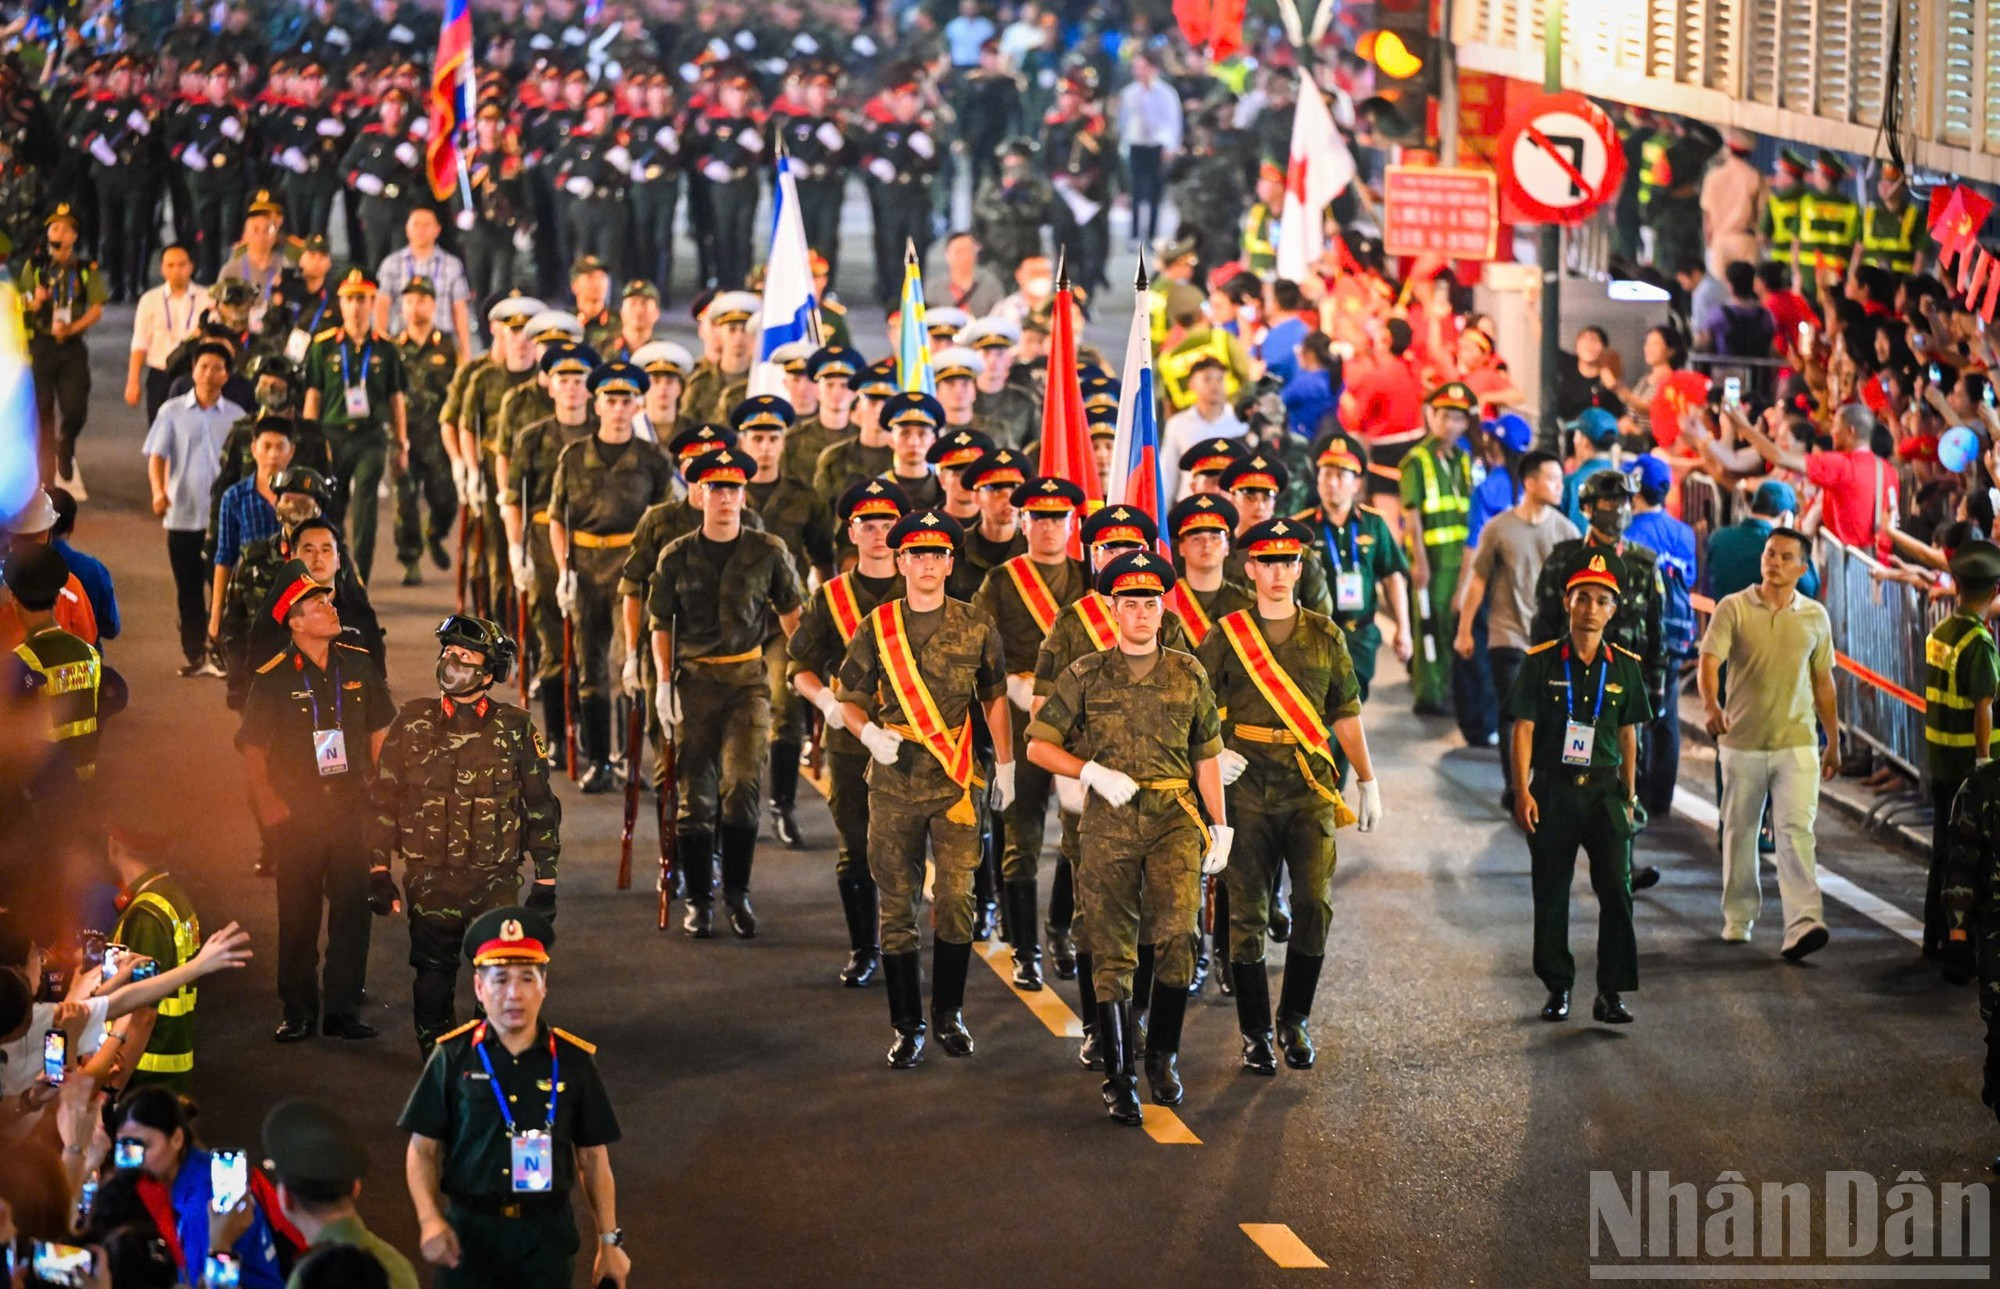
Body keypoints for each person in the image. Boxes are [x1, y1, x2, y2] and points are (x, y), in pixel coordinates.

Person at [1026, 551, 1224, 1121]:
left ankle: (1161, 1055)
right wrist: (1087, 770)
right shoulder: (1085, 672)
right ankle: (1118, 1074)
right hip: (1109, 822)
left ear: (1164, 609)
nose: (1141, 613)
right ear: (1112, 609)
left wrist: (1221, 823)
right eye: (1130, 603)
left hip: (1174, 819)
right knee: (1112, 947)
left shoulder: (1188, 672)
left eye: (1150, 603)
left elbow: (1206, 754)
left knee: (1178, 938)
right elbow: (1039, 743)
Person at [1196, 519, 1383, 1075]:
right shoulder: (1226, 634)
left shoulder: (1325, 633)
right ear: (1249, 569)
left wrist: (1368, 781)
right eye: (1267, 563)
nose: (1278, 574)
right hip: (1245, 786)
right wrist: (1211, 754)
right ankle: (1255, 1033)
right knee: (1247, 912)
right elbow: (1196, 708)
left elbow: (1344, 712)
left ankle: (1294, 1018)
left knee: (1313, 903)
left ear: (1300, 569)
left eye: (1288, 563)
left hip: (1308, 785)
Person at [834, 509, 1014, 1067]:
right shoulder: (878, 624)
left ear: (951, 561)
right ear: (901, 560)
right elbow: (849, 696)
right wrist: (867, 734)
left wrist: (1005, 763)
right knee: (897, 906)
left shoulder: (976, 624)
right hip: (893, 779)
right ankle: (907, 1024)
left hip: (957, 778)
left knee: (958, 899)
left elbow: (995, 697)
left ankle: (949, 1014)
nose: (928, 563)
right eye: (917, 554)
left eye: (938, 553)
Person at [398, 907, 628, 1289]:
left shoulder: (572, 1060)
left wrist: (610, 1243)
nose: (513, 994)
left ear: (544, 985)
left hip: (545, 1241)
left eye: (526, 979)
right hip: (468, 1237)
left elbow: (593, 1157)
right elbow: (421, 1149)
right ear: (478, 988)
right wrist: (429, 1219)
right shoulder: (453, 1056)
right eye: (500, 979)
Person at [369, 616, 561, 1052]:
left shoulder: (516, 730)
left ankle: (483, 1067)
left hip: (495, 882)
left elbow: (540, 807)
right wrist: (378, 866)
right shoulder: (412, 722)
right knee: (433, 978)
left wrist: (545, 881)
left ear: (488, 673)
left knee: (498, 977)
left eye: (465, 656)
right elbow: (383, 799)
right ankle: (439, 1071)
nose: (452, 662)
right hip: (430, 880)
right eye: (448, 653)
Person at [237, 560, 396, 1042]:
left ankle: (343, 1010)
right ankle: (299, 1009)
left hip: (350, 808)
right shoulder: (272, 678)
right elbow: (252, 750)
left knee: (353, 910)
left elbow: (380, 735)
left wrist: (385, 798)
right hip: (299, 813)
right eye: (318, 604)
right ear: (295, 621)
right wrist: (267, 806)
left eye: (328, 600)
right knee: (299, 913)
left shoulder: (359, 664)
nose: (330, 606)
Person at [649, 449, 804, 938]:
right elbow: (660, 624)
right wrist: (660, 683)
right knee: (694, 795)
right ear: (700, 495)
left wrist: (800, 663)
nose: (724, 498)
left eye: (733, 489)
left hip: (747, 683)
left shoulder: (767, 550)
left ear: (743, 494)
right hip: (693, 683)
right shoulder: (676, 554)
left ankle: (736, 893)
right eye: (715, 489)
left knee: (741, 787)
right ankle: (698, 898)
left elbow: (792, 611)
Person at [1506, 558, 1650, 1025]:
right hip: (1554, 790)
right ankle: (1558, 985)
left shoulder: (1625, 667)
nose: (1591, 608)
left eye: (1602, 600)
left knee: (1617, 892)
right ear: (1567, 602)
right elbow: (1523, 729)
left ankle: (1611, 992)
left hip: (1606, 793)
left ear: (1613, 611)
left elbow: (1629, 735)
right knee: (1551, 893)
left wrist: (1630, 796)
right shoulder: (1541, 661)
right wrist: (1522, 791)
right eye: (1582, 597)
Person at [789, 481, 911, 988]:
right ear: (851, 532)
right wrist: (825, 702)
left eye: (888, 526)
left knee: (906, 848)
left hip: (914, 736)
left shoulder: (922, 587)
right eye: (869, 526)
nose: (879, 535)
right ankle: (865, 948)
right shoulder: (831, 596)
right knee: (855, 847)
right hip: (849, 740)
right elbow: (799, 664)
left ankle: (904, 944)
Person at [1697, 526, 1838, 957]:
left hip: (1797, 743)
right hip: (1742, 743)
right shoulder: (1733, 608)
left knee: (1796, 832)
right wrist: (1710, 706)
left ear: (1802, 567)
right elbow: (1708, 661)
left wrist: (1833, 738)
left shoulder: (1815, 616)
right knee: (1740, 833)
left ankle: (1804, 922)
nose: (1773, 562)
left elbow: (1823, 681)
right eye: (1769, 553)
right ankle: (1738, 918)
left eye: (1784, 556)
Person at [973, 476, 1088, 982]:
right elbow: (979, 648)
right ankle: (1026, 952)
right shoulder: (1001, 581)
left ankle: (1060, 929)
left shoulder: (1088, 578)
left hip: (1080, 725)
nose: (1047, 527)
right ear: (1023, 522)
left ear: (1071, 524)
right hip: (1023, 722)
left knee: (1078, 832)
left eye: (1057, 518)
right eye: (1038, 517)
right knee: (1020, 837)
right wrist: (1010, 688)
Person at [548, 362, 675, 790]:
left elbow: (662, 522)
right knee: (590, 664)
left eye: (626, 401)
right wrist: (564, 568)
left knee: (627, 664)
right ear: (596, 403)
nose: (619, 409)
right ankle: (599, 758)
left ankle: (627, 757)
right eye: (610, 400)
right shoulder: (573, 456)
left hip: (631, 568)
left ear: (638, 404)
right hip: (584, 567)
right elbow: (556, 518)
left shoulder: (652, 459)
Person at [1455, 451, 1578, 811]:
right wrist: (1464, 630)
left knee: (1545, 717)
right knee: (1515, 713)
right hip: (1506, 636)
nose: (1559, 486)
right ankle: (1516, 787)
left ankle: (1536, 780)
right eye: (1552, 479)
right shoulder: (1498, 527)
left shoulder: (1566, 532)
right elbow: (1477, 581)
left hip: (1549, 642)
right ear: (1529, 483)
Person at [110, 1082, 287, 1287]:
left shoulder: (200, 1208)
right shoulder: (201, 1166)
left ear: (176, 1139)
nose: (131, 1159)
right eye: (124, 1147)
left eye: (143, 1146)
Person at [300, 270, 411, 585]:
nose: (355, 306)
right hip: (332, 437)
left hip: (370, 438)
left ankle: (359, 575)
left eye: (362, 299)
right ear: (341, 302)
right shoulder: (323, 347)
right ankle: (334, 571)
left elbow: (396, 399)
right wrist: (310, 443)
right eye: (349, 299)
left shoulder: (386, 350)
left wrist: (401, 444)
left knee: (365, 504)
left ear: (373, 302)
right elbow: (313, 395)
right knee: (331, 507)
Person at [144, 341, 246, 677]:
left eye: (218, 367)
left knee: (224, 592)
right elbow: (157, 456)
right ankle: (194, 655)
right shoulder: (171, 411)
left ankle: (222, 654)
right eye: (204, 366)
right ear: (193, 370)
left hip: (222, 521)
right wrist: (158, 491)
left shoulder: (237, 417)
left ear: (226, 375)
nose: (210, 373)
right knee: (188, 589)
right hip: (182, 516)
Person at [1920, 543, 2000, 959]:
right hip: (1971, 768)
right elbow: (1983, 706)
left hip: (1941, 762)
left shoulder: (1941, 633)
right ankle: (1963, 944)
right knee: (1973, 858)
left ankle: (1934, 936)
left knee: (1943, 852)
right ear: (1995, 590)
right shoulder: (1979, 643)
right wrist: (1985, 761)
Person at [261, 1099, 420, 1289]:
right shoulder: (399, 1266)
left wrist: (222, 1249)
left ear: (285, 1199)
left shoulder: (309, 1277)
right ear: (356, 1188)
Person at [1301, 440, 1411, 703]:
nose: (1332, 483)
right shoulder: (1302, 528)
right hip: (1316, 636)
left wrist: (1403, 629)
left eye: (1340, 475)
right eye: (1326, 474)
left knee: (1353, 704)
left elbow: (1392, 575)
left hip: (1359, 636)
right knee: (1324, 709)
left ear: (1357, 483)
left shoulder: (1373, 524)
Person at [1401, 383, 1477, 716]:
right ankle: (1429, 695)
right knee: (1429, 625)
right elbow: (1411, 514)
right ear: (1432, 417)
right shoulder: (1416, 460)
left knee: (1450, 624)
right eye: (1445, 416)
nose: (1451, 424)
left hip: (1459, 558)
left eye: (1458, 418)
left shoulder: (1463, 459)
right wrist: (1419, 561)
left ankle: (1445, 687)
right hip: (1430, 559)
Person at [105, 826, 201, 1091]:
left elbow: (142, 1014)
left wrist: (112, 1088)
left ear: (115, 841)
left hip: (143, 1075)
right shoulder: (169, 894)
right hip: (168, 1069)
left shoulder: (145, 915)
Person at [1736, 403, 1895, 554]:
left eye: (1836, 425)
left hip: (1848, 571)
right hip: (1879, 567)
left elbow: (1780, 458)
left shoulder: (1840, 464)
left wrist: (1742, 426)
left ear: (1850, 431)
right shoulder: (1888, 470)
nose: (1832, 431)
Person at [22, 204, 106, 491]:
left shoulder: (84, 269)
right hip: (42, 346)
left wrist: (73, 327)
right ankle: (45, 475)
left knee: (75, 407)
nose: (59, 233)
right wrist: (35, 300)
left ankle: (67, 441)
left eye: (65, 228)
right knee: (42, 410)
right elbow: (18, 301)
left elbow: (97, 308)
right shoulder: (34, 267)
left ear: (74, 236)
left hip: (71, 346)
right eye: (54, 228)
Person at [1, 546, 102, 783]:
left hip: (44, 787)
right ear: (57, 598)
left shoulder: (21, 662)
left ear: (14, 600)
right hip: (86, 778)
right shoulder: (90, 655)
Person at [390, 276, 462, 587]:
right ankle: (410, 559)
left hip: (438, 438)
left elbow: (458, 393)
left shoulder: (447, 347)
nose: (415, 306)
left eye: (422, 300)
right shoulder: (392, 348)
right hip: (403, 437)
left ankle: (435, 534)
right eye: (409, 301)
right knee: (404, 501)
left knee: (446, 499)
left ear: (433, 305)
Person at [126, 244, 213, 424]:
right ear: (162, 268)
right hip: (160, 374)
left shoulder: (207, 298)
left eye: (181, 265)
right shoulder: (150, 299)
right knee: (159, 432)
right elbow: (140, 342)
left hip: (194, 374)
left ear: (191, 266)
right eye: (170, 265)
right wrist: (133, 380)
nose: (176, 271)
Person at [1703, 480, 1819, 600]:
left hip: (1724, 616)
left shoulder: (1717, 538)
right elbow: (1809, 589)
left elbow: (1707, 588)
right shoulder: (1783, 549)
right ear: (1786, 517)